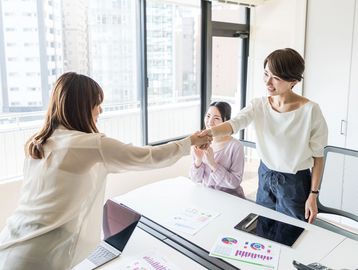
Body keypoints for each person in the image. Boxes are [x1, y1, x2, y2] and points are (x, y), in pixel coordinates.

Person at [0, 72, 211, 270]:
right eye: (97, 104)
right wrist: (190, 141)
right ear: (82, 106)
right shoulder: (88, 145)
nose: (100, 110)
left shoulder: (39, 141)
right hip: (40, 257)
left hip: (11, 243)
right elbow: (149, 156)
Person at [200, 48, 328, 223]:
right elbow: (234, 124)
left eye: (276, 78)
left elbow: (318, 157)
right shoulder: (258, 105)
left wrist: (313, 195)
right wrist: (209, 132)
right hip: (265, 176)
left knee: (292, 233)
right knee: (263, 229)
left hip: (295, 183)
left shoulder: (310, 110)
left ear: (293, 81)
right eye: (266, 74)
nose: (268, 82)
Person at [189, 101, 245, 198]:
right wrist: (198, 161)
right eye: (208, 116)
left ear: (226, 122)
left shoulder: (236, 146)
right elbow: (195, 179)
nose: (210, 122)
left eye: (216, 118)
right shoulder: (200, 142)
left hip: (230, 199)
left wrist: (213, 164)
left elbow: (235, 182)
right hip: (207, 197)